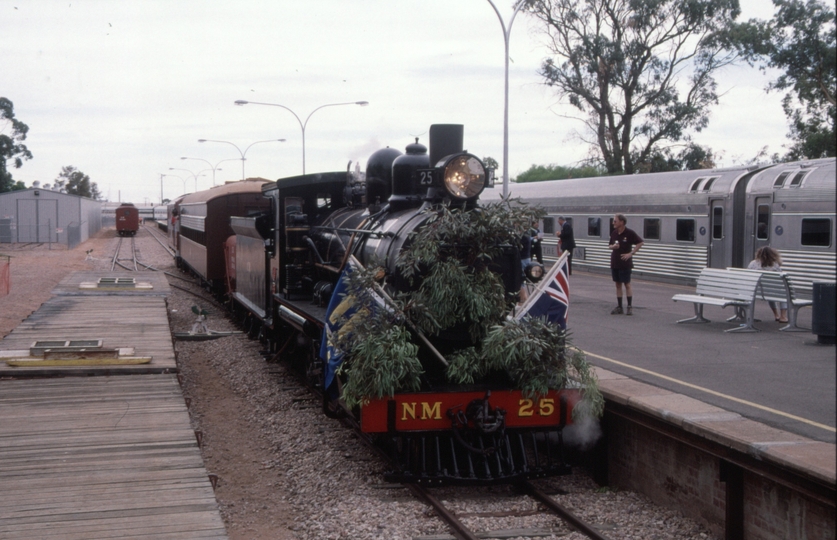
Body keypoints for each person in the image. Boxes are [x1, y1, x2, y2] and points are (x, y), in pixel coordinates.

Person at [609, 214, 644, 315]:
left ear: (622, 222)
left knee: (627, 284)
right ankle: (619, 306)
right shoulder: (614, 233)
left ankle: (629, 306)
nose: (613, 223)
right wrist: (613, 247)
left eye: (615, 221)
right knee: (617, 284)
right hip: (615, 261)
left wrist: (631, 253)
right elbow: (609, 245)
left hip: (625, 262)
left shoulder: (630, 233)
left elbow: (640, 242)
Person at [748, 246, 788, 322]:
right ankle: (783, 316)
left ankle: (776, 315)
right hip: (772, 291)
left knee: (770, 293)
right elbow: (781, 277)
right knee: (783, 294)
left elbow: (748, 275)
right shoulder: (775, 265)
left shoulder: (753, 263)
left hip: (756, 292)